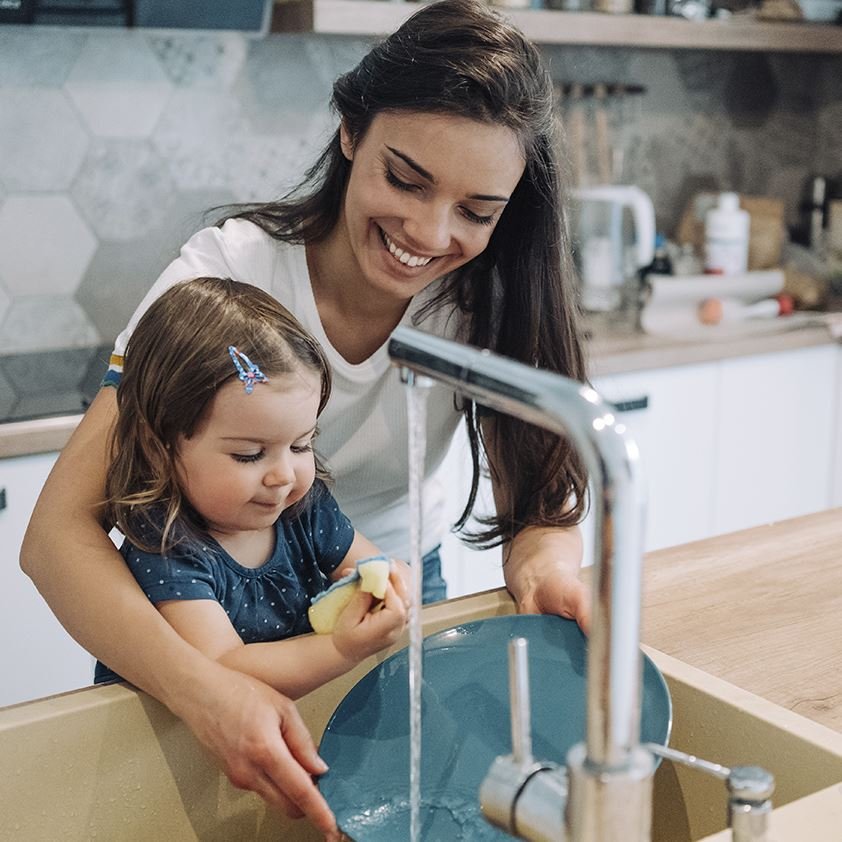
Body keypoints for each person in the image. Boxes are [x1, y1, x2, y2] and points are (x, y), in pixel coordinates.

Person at [22, 0, 590, 836]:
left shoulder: (492, 294)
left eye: (477, 211)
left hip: (384, 593)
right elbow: (55, 539)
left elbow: (540, 507)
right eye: (406, 178)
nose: (429, 234)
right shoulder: (227, 276)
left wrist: (545, 567)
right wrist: (203, 687)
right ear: (351, 130)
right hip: (198, 615)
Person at [94, 277, 409, 697]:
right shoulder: (166, 544)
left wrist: (387, 587)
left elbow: (375, 568)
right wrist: (338, 648)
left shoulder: (303, 509)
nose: (283, 476)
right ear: (159, 448)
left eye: (301, 444)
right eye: (248, 455)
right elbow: (225, 667)